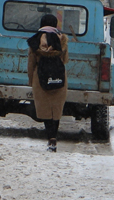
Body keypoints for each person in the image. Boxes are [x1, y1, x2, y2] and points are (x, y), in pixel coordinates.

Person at [27, 14, 69, 152]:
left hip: (40, 77)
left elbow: (31, 63)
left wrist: (30, 80)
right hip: (59, 76)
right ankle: (54, 137)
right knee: (56, 109)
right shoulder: (61, 40)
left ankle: (49, 137)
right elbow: (66, 59)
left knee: (45, 109)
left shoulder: (35, 40)